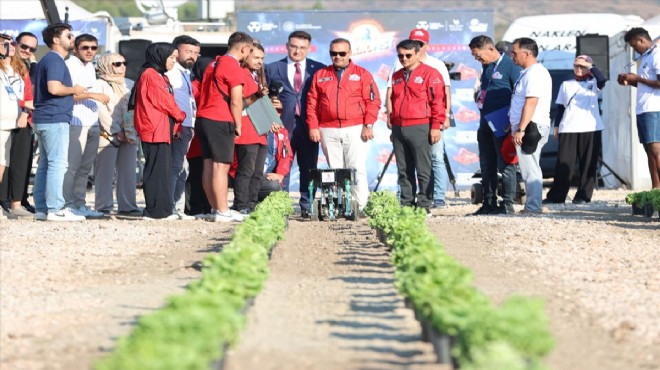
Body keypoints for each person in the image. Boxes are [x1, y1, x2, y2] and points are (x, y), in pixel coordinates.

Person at [307, 38, 381, 211]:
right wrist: (313, 126)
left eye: (342, 53)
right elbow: (312, 103)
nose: (338, 57)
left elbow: (373, 101)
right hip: (327, 128)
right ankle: (340, 206)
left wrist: (368, 124)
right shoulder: (321, 75)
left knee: (356, 168)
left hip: (355, 127)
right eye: (334, 53)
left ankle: (359, 207)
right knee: (334, 171)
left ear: (350, 53)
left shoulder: (362, 74)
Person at [387, 29, 452, 208]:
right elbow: (393, 99)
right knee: (404, 169)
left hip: (421, 126)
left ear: (417, 54)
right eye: (401, 56)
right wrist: (392, 124)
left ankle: (425, 203)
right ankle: (406, 203)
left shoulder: (431, 73)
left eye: (408, 55)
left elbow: (438, 101)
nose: (404, 59)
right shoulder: (396, 75)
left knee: (424, 169)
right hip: (400, 127)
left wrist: (435, 126)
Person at [195, 31, 256, 222]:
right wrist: (238, 124)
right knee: (221, 166)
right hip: (220, 119)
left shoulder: (213, 63)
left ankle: (216, 208)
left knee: (209, 165)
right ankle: (222, 210)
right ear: (244, 48)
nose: (249, 55)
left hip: (203, 118)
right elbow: (236, 100)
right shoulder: (233, 66)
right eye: (250, 51)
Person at [265, 30, 325, 218]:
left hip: (309, 127)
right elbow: (262, 97)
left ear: (308, 49)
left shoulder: (318, 69)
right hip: (283, 126)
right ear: (287, 46)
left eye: (302, 48)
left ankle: (307, 206)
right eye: (294, 47)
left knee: (309, 167)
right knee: (282, 165)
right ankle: (281, 205)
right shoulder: (272, 68)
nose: (297, 51)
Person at [32, 23, 86, 221]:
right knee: (57, 164)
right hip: (53, 118)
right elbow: (54, 88)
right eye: (68, 35)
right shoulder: (55, 60)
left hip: (46, 118)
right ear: (56, 40)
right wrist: (75, 90)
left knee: (47, 164)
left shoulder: (49, 60)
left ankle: (42, 208)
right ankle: (55, 208)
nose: (72, 39)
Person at [129, 42, 186, 220]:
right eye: (171, 58)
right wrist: (180, 115)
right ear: (160, 57)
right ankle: (155, 211)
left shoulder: (159, 75)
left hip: (161, 128)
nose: (173, 62)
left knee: (162, 170)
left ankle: (163, 209)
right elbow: (164, 101)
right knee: (155, 170)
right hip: (153, 128)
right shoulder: (151, 75)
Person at [469, 35, 522, 215]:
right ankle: (489, 203)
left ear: (491, 49)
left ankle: (507, 204)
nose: (477, 59)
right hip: (485, 120)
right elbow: (484, 90)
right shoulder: (486, 66)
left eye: (478, 55)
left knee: (506, 164)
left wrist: (512, 121)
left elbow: (518, 94)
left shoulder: (511, 65)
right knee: (486, 164)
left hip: (503, 121)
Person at [544, 55, 607, 204]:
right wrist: (557, 126)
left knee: (588, 163)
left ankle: (583, 196)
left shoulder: (593, 83)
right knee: (563, 163)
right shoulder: (566, 84)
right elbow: (560, 107)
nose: (578, 69)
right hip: (568, 127)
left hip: (591, 128)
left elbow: (602, 79)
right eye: (576, 66)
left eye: (582, 66)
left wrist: (590, 67)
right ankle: (557, 196)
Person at [64, 34, 108, 219]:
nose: (90, 51)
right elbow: (66, 95)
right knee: (71, 167)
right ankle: (66, 205)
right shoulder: (69, 65)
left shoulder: (90, 67)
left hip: (92, 122)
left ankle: (79, 203)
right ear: (76, 48)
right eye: (85, 47)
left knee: (85, 168)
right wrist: (93, 95)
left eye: (93, 47)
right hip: (75, 121)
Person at [93, 53, 140, 215]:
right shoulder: (98, 84)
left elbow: (135, 108)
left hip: (130, 133)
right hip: (106, 134)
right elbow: (100, 110)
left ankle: (128, 206)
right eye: (117, 64)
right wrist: (115, 130)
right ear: (106, 65)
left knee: (128, 171)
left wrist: (130, 130)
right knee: (104, 172)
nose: (122, 67)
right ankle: (103, 206)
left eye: (124, 63)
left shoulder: (130, 84)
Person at [509, 37, 552, 214]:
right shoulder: (528, 72)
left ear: (526, 54)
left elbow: (531, 102)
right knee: (530, 167)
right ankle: (534, 205)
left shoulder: (535, 73)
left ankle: (533, 206)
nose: (512, 56)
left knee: (530, 168)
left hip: (531, 127)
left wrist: (521, 128)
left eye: (514, 52)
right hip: (528, 125)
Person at [232, 42, 273, 214]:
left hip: (260, 130)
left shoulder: (256, 76)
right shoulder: (240, 74)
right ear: (246, 55)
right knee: (246, 170)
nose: (259, 62)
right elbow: (239, 103)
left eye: (262, 58)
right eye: (256, 57)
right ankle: (241, 204)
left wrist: (271, 119)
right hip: (247, 130)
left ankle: (252, 203)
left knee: (257, 172)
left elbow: (260, 104)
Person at [618, 27, 660, 189]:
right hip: (643, 109)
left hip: (654, 109)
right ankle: (656, 190)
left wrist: (637, 78)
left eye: (635, 46)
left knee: (656, 152)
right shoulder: (647, 57)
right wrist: (630, 81)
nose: (635, 50)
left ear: (642, 40)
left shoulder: (657, 55)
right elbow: (647, 85)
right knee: (649, 153)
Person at [165, 35, 200, 219]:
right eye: (188, 52)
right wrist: (176, 126)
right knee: (174, 168)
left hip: (188, 125)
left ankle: (176, 207)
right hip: (177, 126)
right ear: (176, 51)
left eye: (195, 53)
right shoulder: (170, 72)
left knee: (182, 169)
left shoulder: (185, 73)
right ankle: (168, 206)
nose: (192, 56)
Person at [6, 32, 39, 215]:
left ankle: (20, 199)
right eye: (24, 46)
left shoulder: (25, 66)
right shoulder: (8, 66)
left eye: (32, 49)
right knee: (9, 162)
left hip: (26, 117)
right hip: (14, 116)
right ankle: (11, 201)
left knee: (23, 163)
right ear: (15, 44)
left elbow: (30, 91)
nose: (27, 51)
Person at [0, 34, 31, 220]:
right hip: (2, 121)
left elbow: (27, 94)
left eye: (12, 43)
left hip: (11, 122)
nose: (10, 46)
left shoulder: (19, 68)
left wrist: (25, 112)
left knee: (4, 163)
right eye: (5, 43)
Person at [185, 56, 213, 217]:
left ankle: (206, 206)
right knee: (196, 174)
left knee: (206, 173)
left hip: (207, 137)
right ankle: (194, 207)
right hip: (196, 137)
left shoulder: (209, 86)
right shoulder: (194, 86)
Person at [259, 126, 294, 201]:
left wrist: (280, 174)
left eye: (279, 113)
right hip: (247, 175)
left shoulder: (281, 131)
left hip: (266, 176)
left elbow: (286, 156)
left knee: (275, 186)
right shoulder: (253, 127)